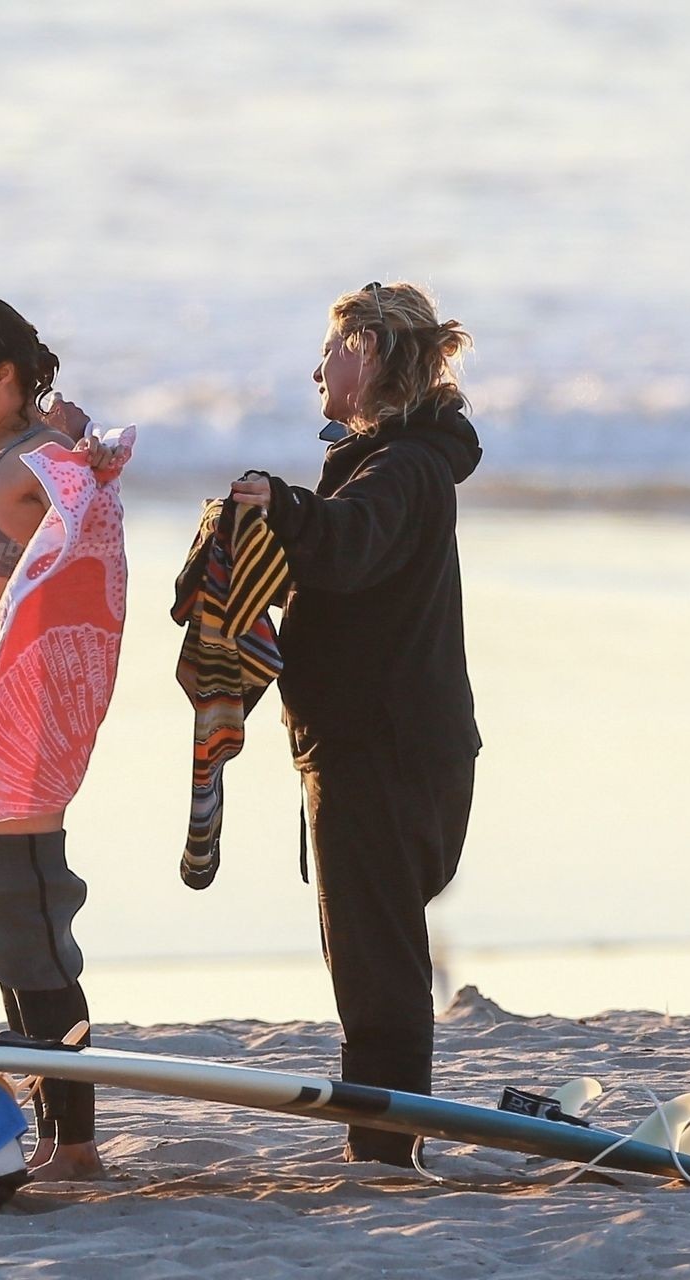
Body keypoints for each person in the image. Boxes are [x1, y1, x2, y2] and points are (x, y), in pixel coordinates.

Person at [227, 281, 482, 1165]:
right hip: (388, 747)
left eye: (330, 350)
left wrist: (280, 505)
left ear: (367, 350)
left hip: (384, 752)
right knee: (377, 949)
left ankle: (384, 1148)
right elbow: (344, 544)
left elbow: (346, 545)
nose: (318, 371)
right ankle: (383, 1139)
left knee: (377, 959)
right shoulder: (397, 463)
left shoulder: (402, 469)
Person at [0, 293, 120, 1181]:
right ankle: (48, 1132)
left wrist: (86, 454)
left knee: (31, 924)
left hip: (17, 726)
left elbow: (92, 522)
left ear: (5, 373)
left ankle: (73, 1144)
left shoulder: (39, 458)